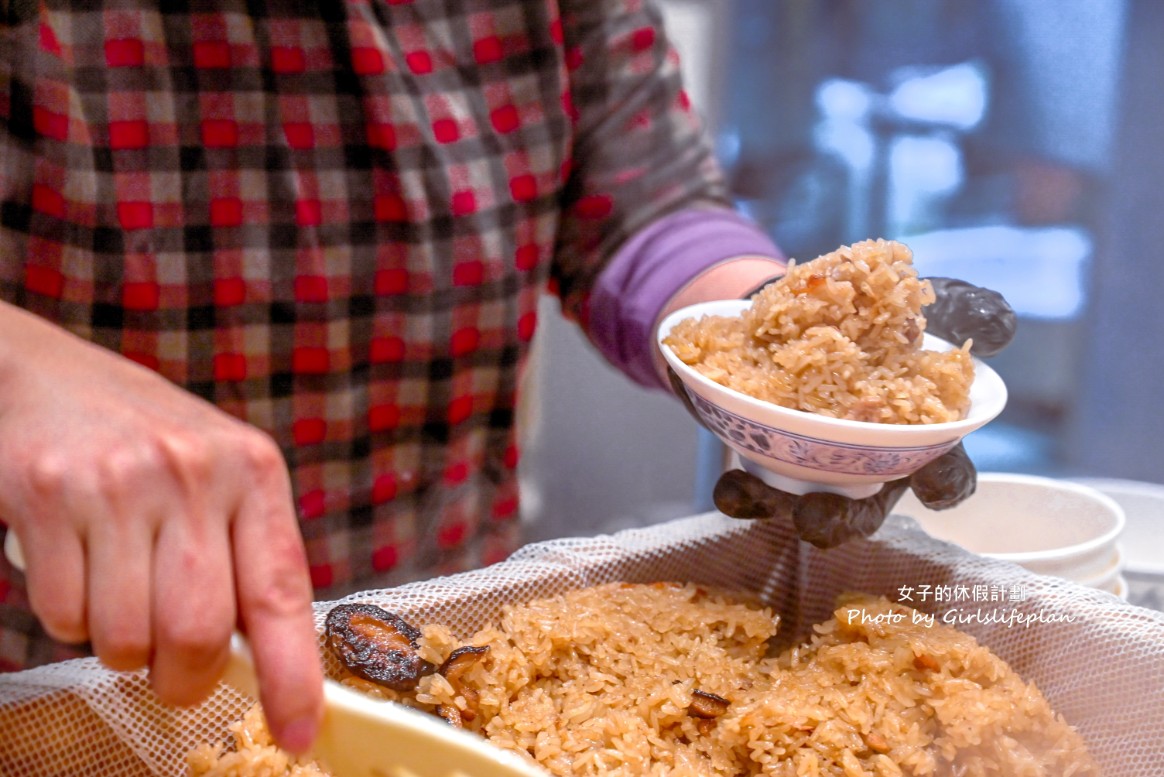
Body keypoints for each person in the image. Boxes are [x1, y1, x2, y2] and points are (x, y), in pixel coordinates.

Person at [0, 0, 1011, 755]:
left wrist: (780, 344)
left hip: (450, 644)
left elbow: (641, 193)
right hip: (62, 678)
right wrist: (20, 374)